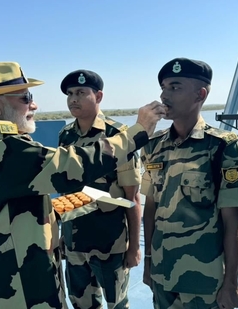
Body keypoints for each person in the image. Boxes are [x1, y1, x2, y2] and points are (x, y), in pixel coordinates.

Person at [0, 61, 165, 309]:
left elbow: (13, 205)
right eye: (25, 97)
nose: (34, 104)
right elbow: (72, 167)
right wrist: (137, 133)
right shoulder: (2, 145)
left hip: (92, 244)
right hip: (12, 283)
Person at [140, 58, 238, 309]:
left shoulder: (224, 146)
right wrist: (148, 262)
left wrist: (231, 283)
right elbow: (151, 207)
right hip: (162, 274)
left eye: (175, 87)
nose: (164, 95)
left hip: (205, 280)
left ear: (200, 94)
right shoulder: (152, 146)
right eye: (163, 87)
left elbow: (233, 220)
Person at [57, 69, 141, 309]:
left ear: (99, 96)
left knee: (117, 304)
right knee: (81, 303)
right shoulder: (65, 136)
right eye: (70, 93)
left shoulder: (117, 136)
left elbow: (132, 196)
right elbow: (66, 192)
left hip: (110, 242)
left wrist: (134, 247)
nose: (74, 98)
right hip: (75, 242)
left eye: (81, 92)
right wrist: (64, 233)